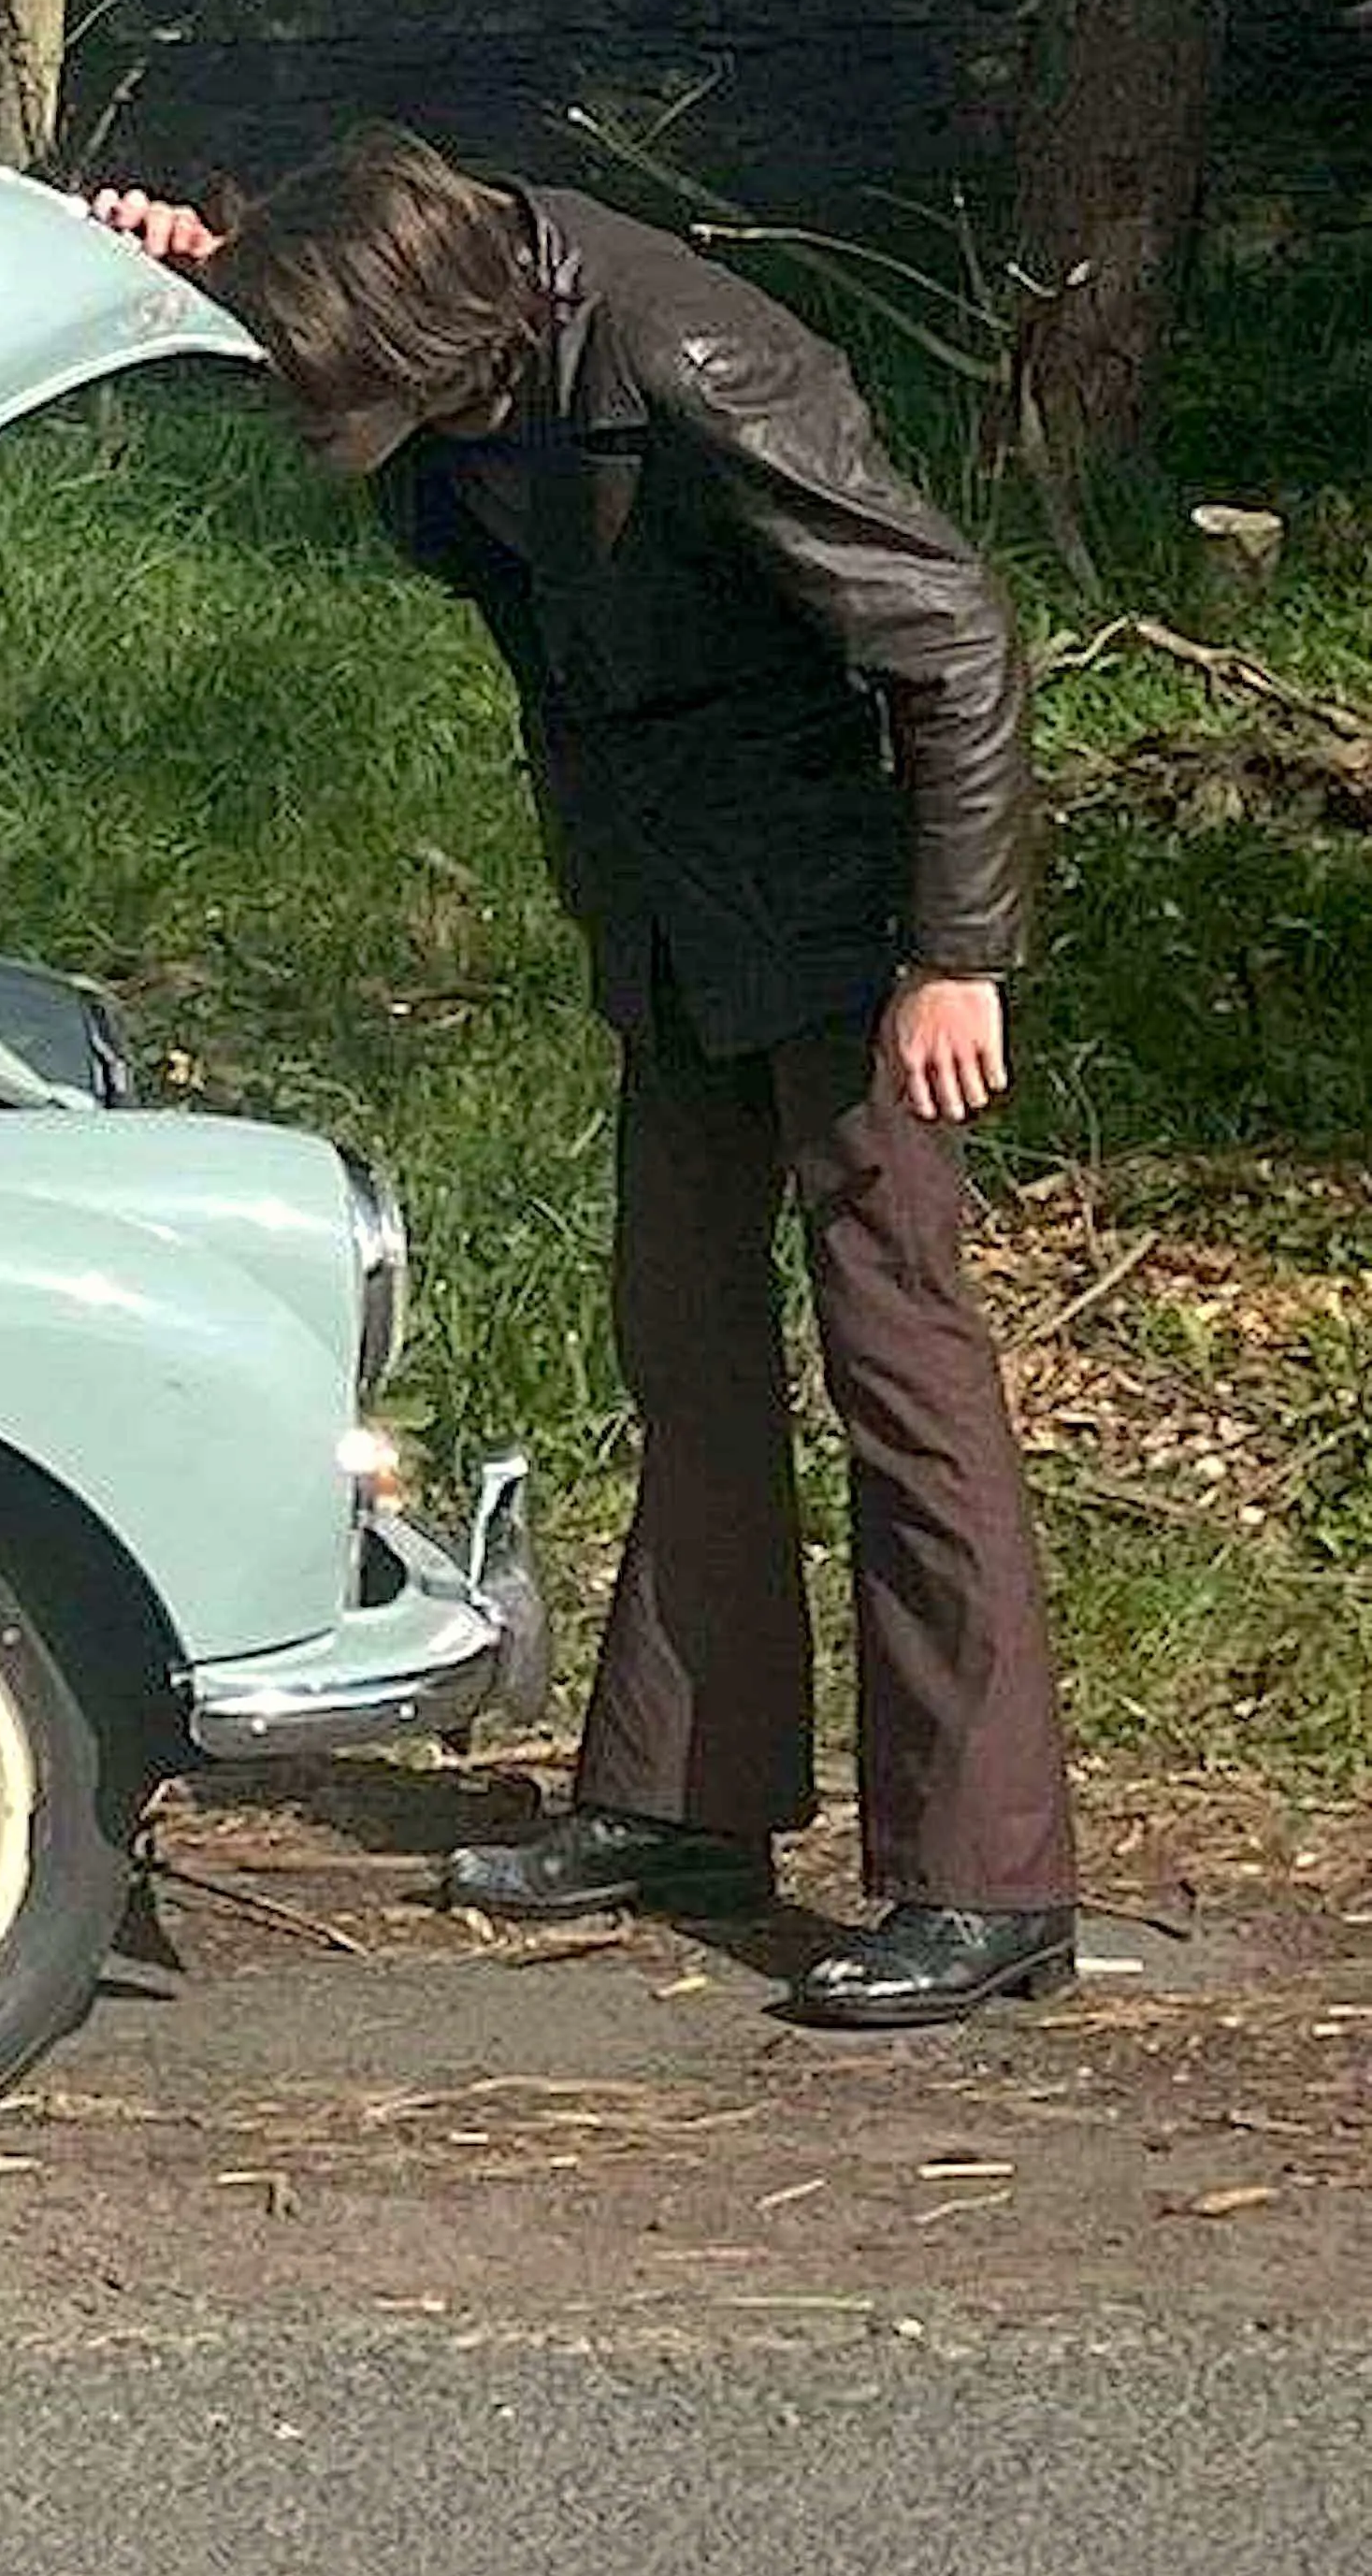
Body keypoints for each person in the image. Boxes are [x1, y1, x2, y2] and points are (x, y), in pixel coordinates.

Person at [88, 138, 1075, 2028]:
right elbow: (344, 336)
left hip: (846, 925)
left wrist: (954, 955)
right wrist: (208, 268)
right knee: (683, 1341)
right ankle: (686, 1807)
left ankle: (983, 1882)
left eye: (317, 380)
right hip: (677, 911)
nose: (299, 422)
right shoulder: (463, 327)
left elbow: (952, 632)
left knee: (903, 1369)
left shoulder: (693, 362)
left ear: (421, 348)